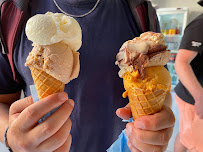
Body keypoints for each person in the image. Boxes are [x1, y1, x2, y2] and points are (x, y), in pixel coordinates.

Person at [0, 0, 175, 152]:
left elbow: (160, 85)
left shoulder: (140, 9)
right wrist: (10, 135)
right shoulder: (12, 12)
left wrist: (155, 126)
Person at [174, 1, 203, 152]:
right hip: (192, 98)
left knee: (186, 134)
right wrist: (200, 97)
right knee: (197, 144)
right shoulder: (200, 25)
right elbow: (181, 62)